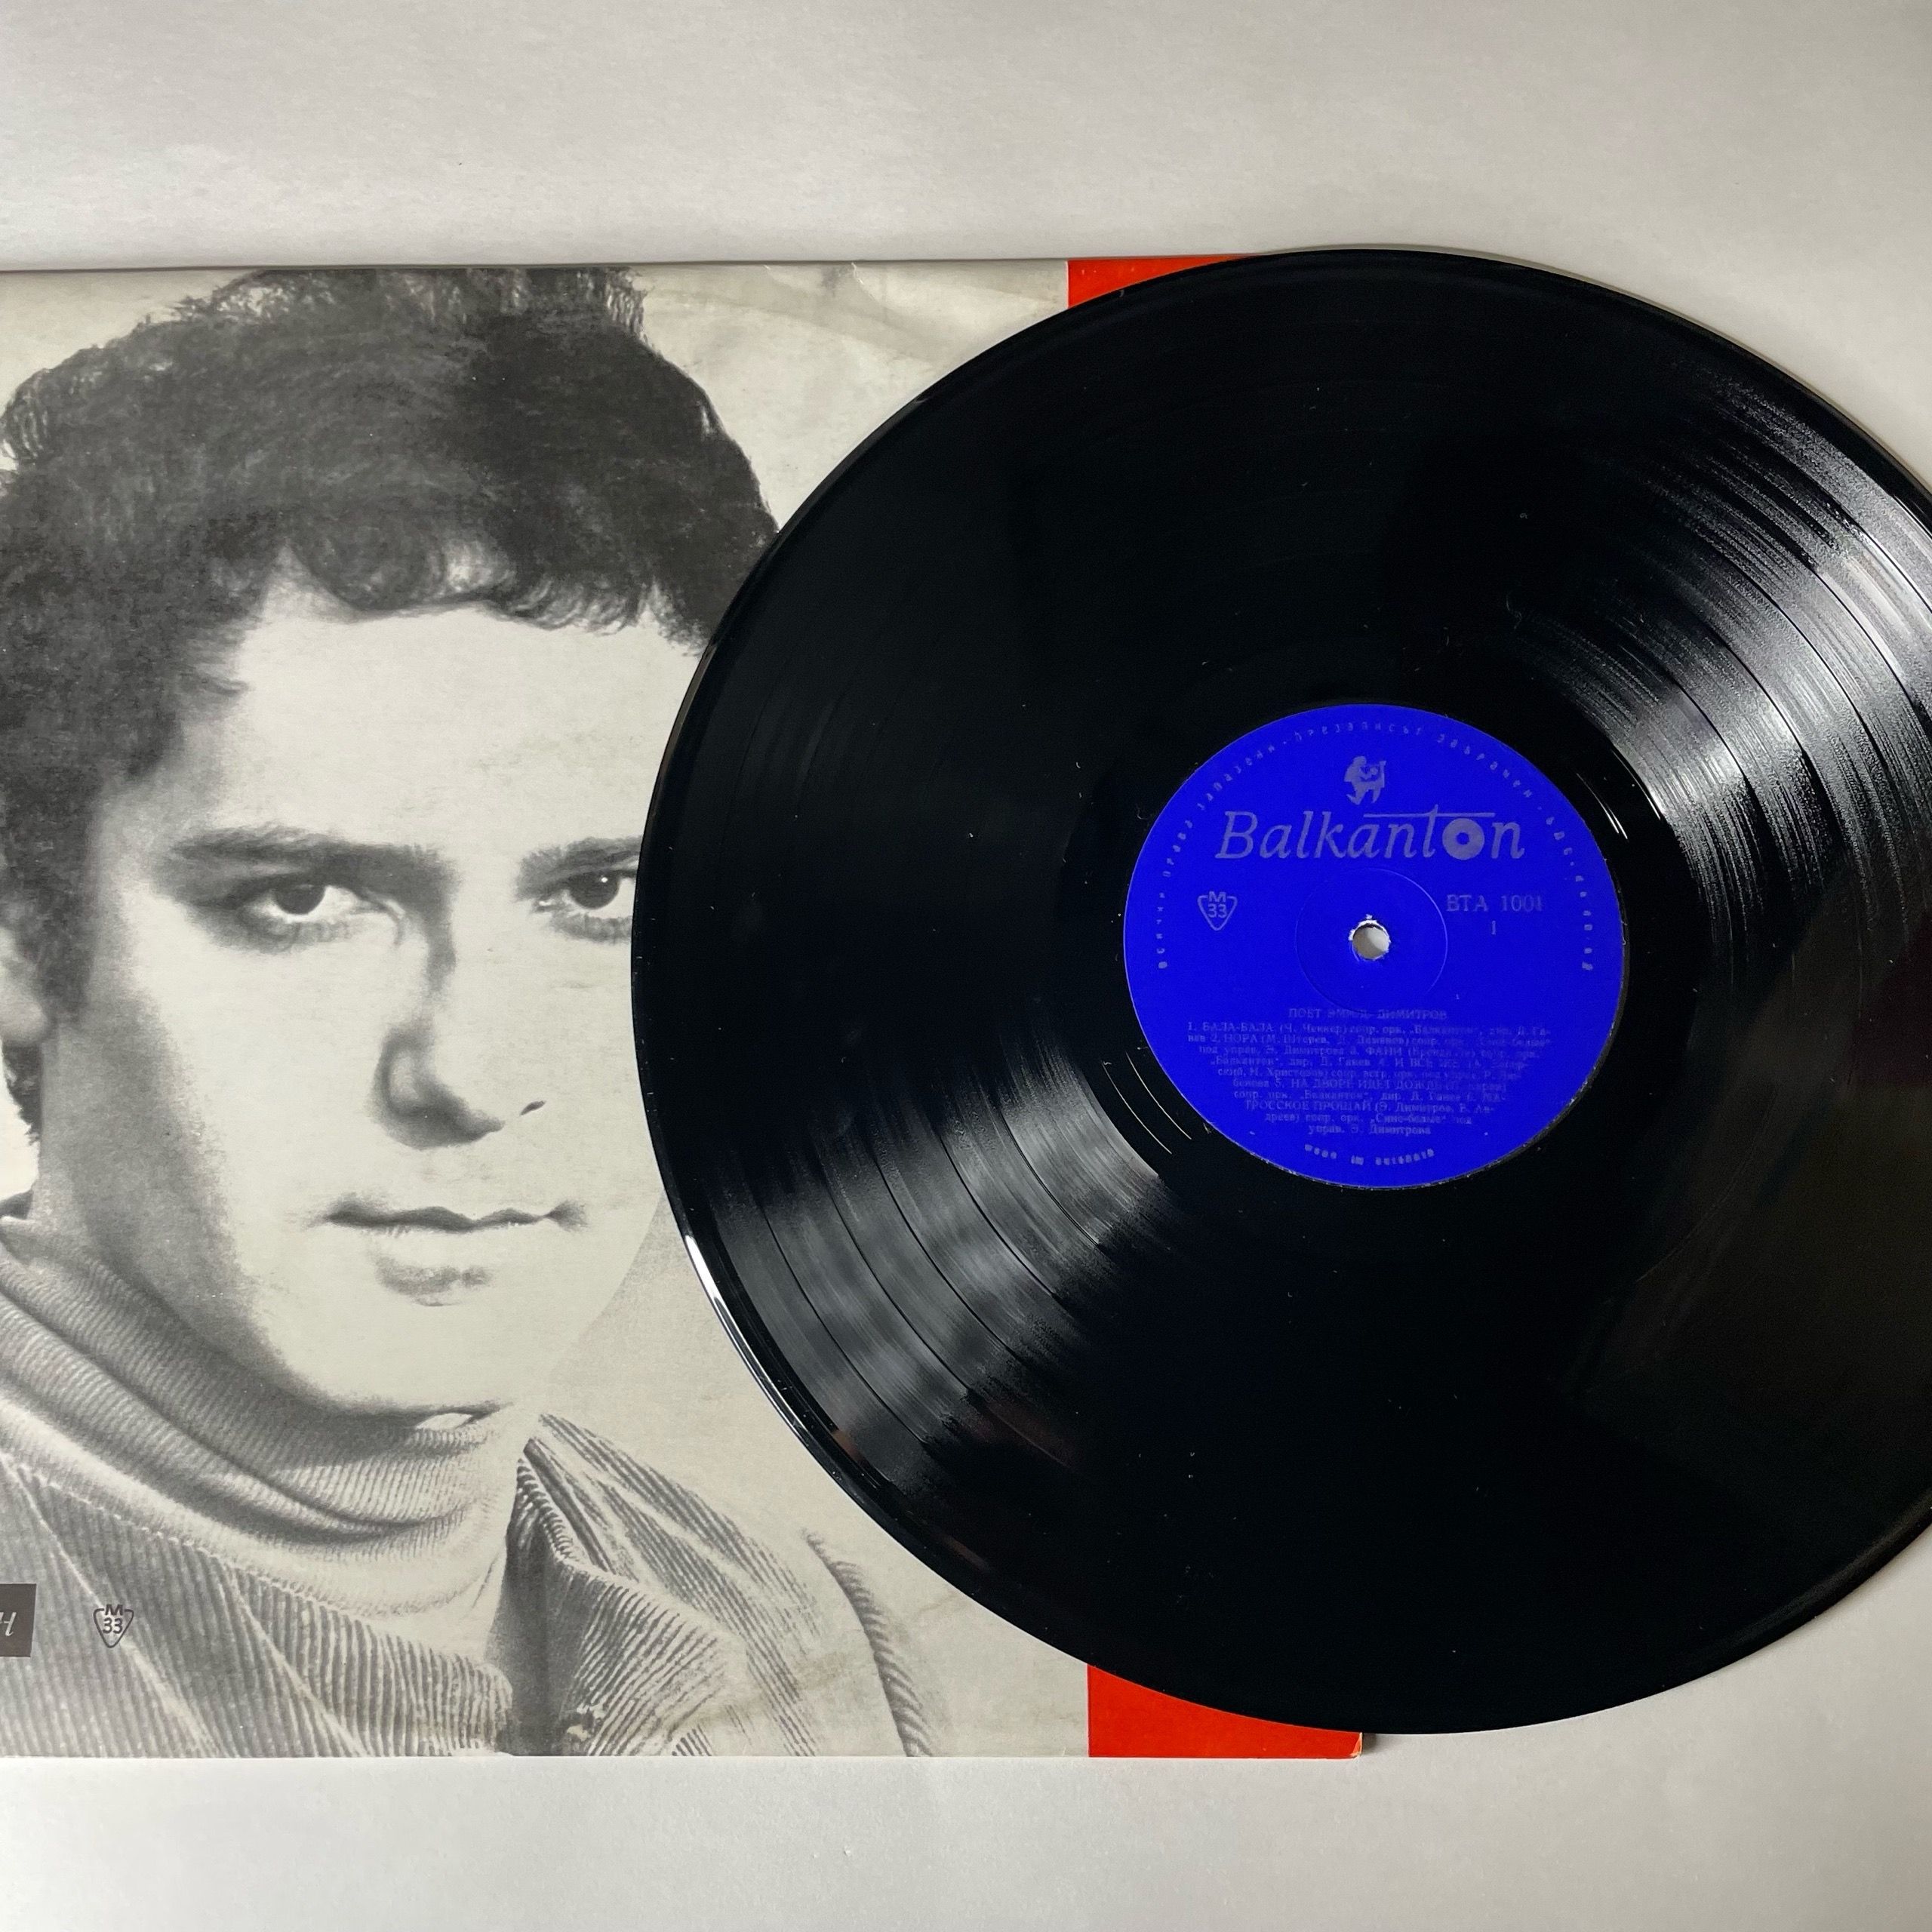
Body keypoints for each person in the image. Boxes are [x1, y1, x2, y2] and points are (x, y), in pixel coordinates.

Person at [0, 269, 936, 1755]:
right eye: (302, 897)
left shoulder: (807, 1636)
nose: (474, 1071)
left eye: (600, 894)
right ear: (18, 940)